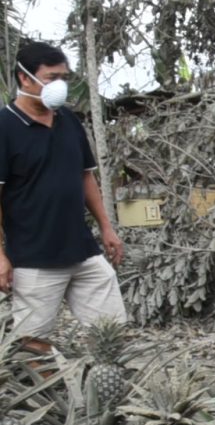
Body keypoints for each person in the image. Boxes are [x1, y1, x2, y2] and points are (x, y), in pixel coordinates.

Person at [0, 42, 126, 353]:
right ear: (24, 78)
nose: (60, 85)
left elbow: (86, 176)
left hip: (83, 251)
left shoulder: (68, 120)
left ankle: (104, 393)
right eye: (52, 76)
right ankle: (52, 397)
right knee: (31, 341)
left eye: (64, 77)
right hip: (34, 257)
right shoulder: (4, 126)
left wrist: (106, 227)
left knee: (112, 332)